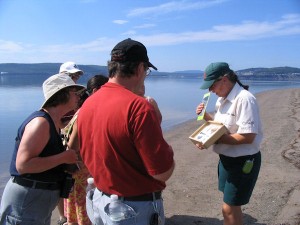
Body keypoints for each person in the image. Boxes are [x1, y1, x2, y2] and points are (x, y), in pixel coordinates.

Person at [77, 38, 175, 225]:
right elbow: (161, 172)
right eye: (146, 71)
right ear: (139, 69)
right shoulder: (138, 107)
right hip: (132, 210)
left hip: (99, 200)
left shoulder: (89, 102)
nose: (145, 75)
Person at [0, 74, 84, 225]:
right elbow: (23, 165)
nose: (79, 96)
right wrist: (63, 158)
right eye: (74, 92)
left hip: (37, 199)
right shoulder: (40, 123)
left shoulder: (53, 121)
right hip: (28, 198)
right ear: (62, 94)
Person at [195, 62, 263, 225]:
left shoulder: (245, 99)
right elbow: (221, 129)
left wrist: (212, 139)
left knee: (229, 207)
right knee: (232, 206)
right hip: (226, 160)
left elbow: (248, 137)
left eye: (212, 85)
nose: (210, 90)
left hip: (243, 161)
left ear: (224, 80)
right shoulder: (222, 100)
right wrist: (206, 117)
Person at [63, 75, 108, 225]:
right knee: (84, 207)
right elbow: (73, 145)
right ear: (96, 91)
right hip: (81, 169)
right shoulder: (85, 111)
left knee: (76, 206)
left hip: (76, 168)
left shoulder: (83, 110)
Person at [57, 61, 84, 225]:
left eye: (77, 76)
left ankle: (69, 217)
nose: (74, 79)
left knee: (72, 184)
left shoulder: (75, 95)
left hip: (69, 144)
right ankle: (63, 217)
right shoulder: (57, 97)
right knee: (61, 183)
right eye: (72, 76)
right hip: (62, 144)